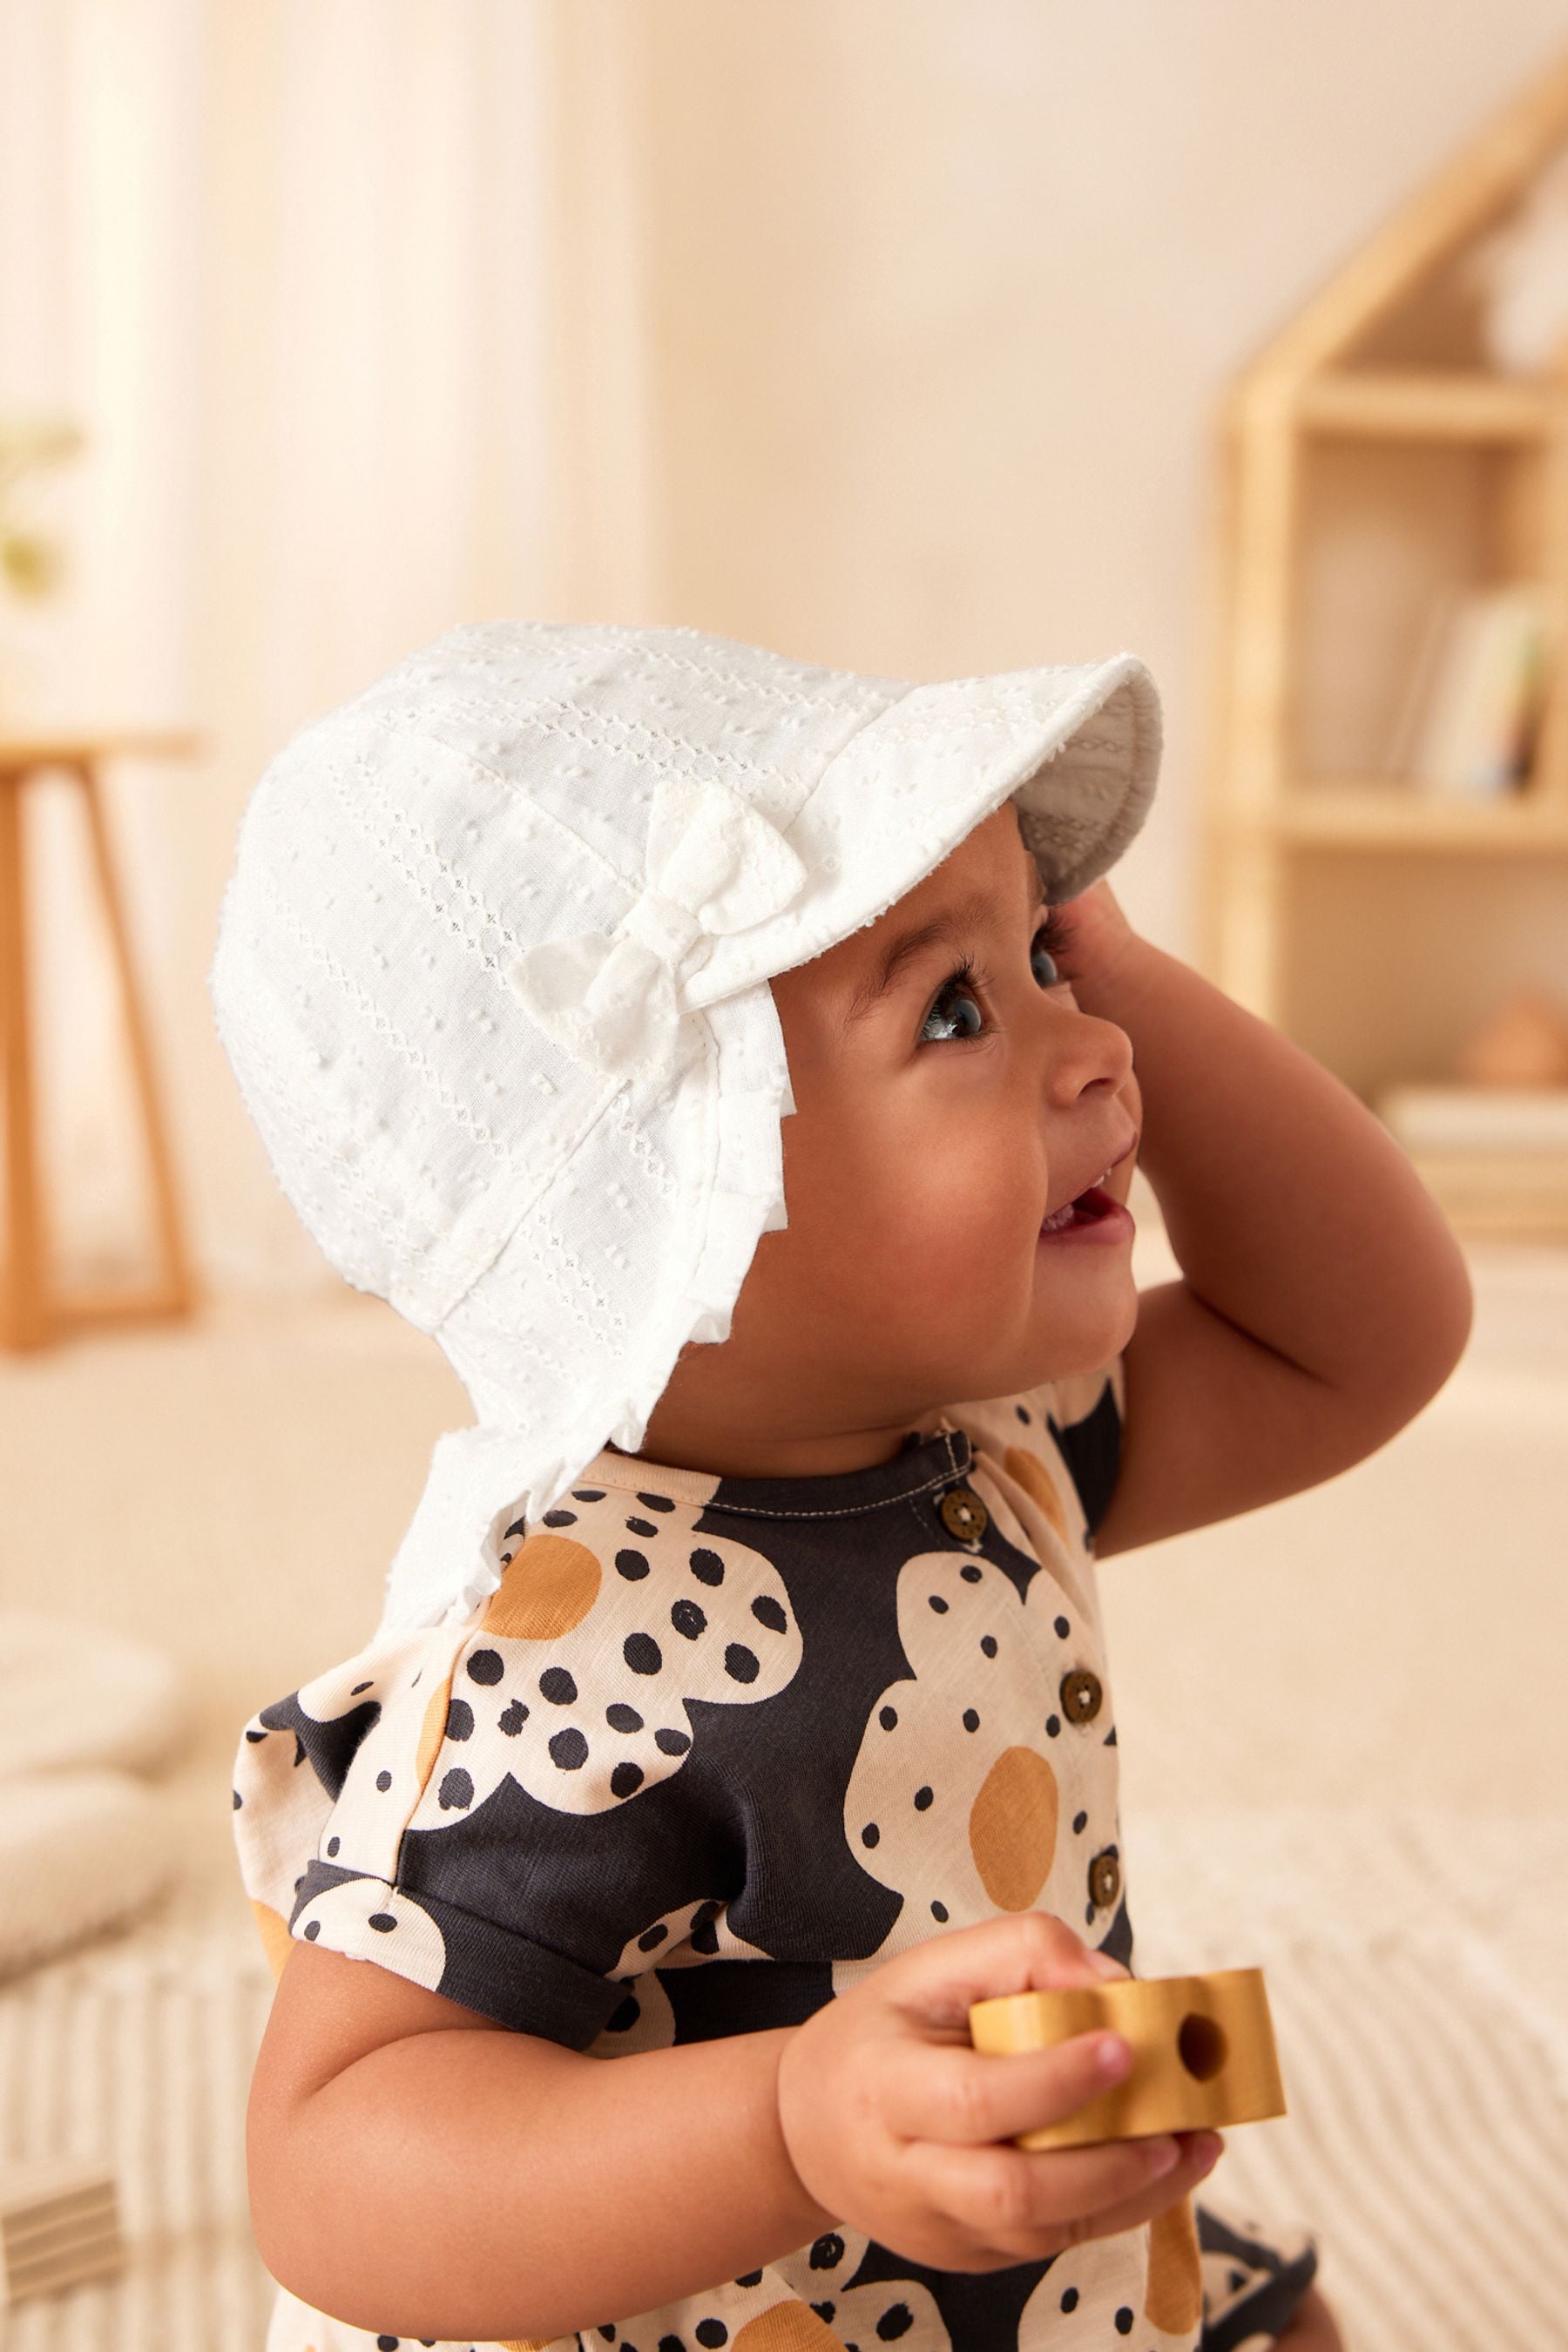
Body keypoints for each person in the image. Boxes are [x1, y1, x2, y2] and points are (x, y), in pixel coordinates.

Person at [214, 619, 1470, 2351]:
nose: (1095, 1050)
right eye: (957, 1007)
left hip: (1009, 2236)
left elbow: (1369, 1335)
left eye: (1046, 956)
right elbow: (333, 2161)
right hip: (737, 2302)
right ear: (684, 1190)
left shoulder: (989, 1436)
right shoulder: (565, 1653)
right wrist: (792, 2121)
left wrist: (1099, 953)